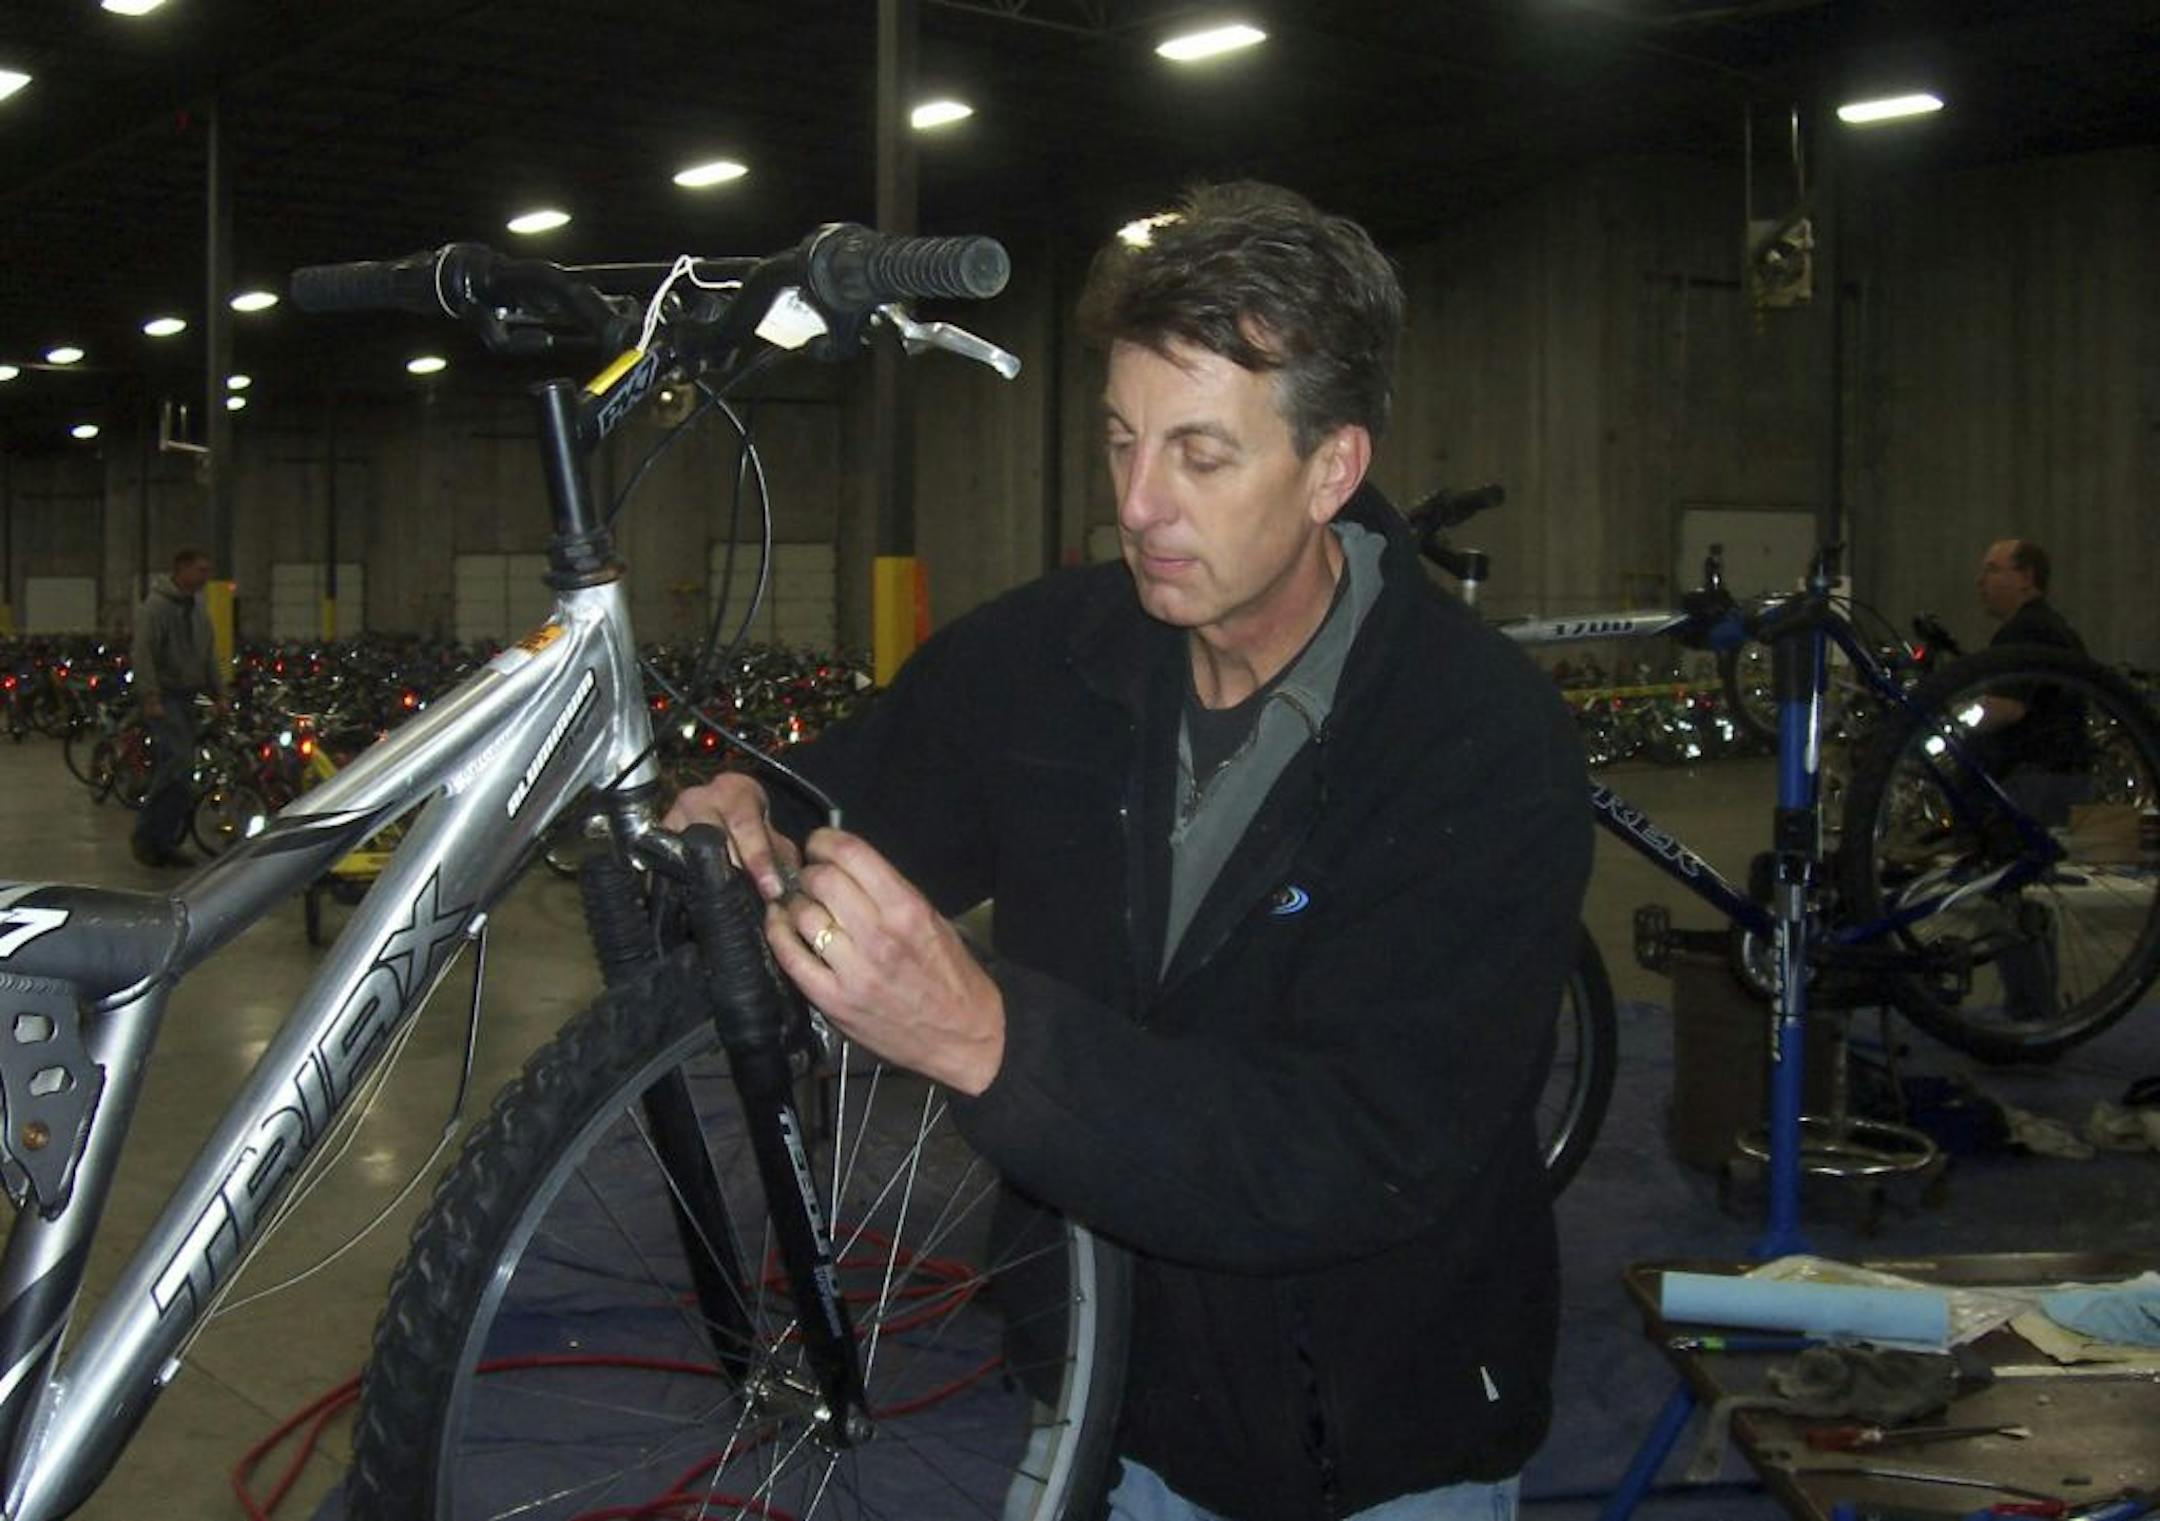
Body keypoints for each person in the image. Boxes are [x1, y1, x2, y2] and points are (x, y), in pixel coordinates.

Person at [668, 182, 1591, 1521]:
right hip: (1096, 1402)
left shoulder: (1476, 743)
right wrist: (739, 821)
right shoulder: (1048, 660)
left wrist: (987, 1038)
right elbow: (840, 801)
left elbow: (1354, 1149)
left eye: (1201, 456)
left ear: (1333, 468)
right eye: (1121, 442)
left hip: (1381, 1444)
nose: (1140, 504)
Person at [129, 548, 226, 868]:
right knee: (177, 765)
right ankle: (148, 837)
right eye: (200, 570)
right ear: (181, 569)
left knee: (181, 771)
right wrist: (150, 697)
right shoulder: (155, 608)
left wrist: (218, 693)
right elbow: (143, 654)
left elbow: (207, 651)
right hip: (165, 696)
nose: (205, 577)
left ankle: (165, 840)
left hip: (188, 695)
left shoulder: (198, 606)